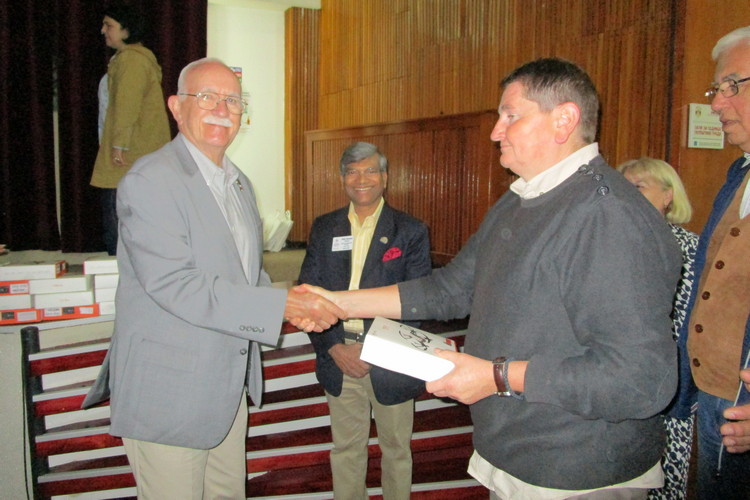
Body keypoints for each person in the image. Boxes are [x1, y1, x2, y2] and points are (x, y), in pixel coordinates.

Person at [299, 57, 682, 499]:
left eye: (510, 116)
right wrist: (336, 302)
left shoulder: (607, 215)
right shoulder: (519, 201)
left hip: (576, 469)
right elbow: (450, 288)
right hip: (515, 454)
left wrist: (496, 376)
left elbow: (639, 380)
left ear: (564, 120)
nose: (496, 131)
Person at [83, 58, 344, 499]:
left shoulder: (238, 184)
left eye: (233, 101)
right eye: (207, 97)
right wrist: (281, 306)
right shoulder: (151, 179)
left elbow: (249, 274)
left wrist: (295, 306)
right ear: (176, 107)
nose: (222, 110)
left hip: (226, 387)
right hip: (169, 392)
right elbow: (174, 283)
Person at [298, 141, 431, 500]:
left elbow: (418, 304)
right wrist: (333, 348)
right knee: (346, 450)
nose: (361, 179)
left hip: (390, 359)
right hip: (339, 355)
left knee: (397, 451)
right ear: (342, 178)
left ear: (385, 177)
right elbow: (308, 294)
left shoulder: (410, 230)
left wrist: (374, 351)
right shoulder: (325, 228)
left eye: (370, 170)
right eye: (352, 171)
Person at [677, 26, 750, 499]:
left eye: (733, 86)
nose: (717, 103)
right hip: (716, 396)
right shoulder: (738, 176)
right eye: (716, 89)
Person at [618, 158, 699, 500]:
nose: (627, 194)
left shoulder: (692, 247)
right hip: (617, 379)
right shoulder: (609, 242)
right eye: (623, 187)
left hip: (671, 379)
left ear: (668, 196)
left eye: (638, 186)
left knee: (666, 480)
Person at [91, 4, 171, 255]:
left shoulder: (132, 60)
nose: (103, 30)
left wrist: (118, 146)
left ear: (127, 30)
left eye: (109, 25)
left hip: (128, 156)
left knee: (119, 223)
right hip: (136, 154)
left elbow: (126, 106)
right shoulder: (131, 59)